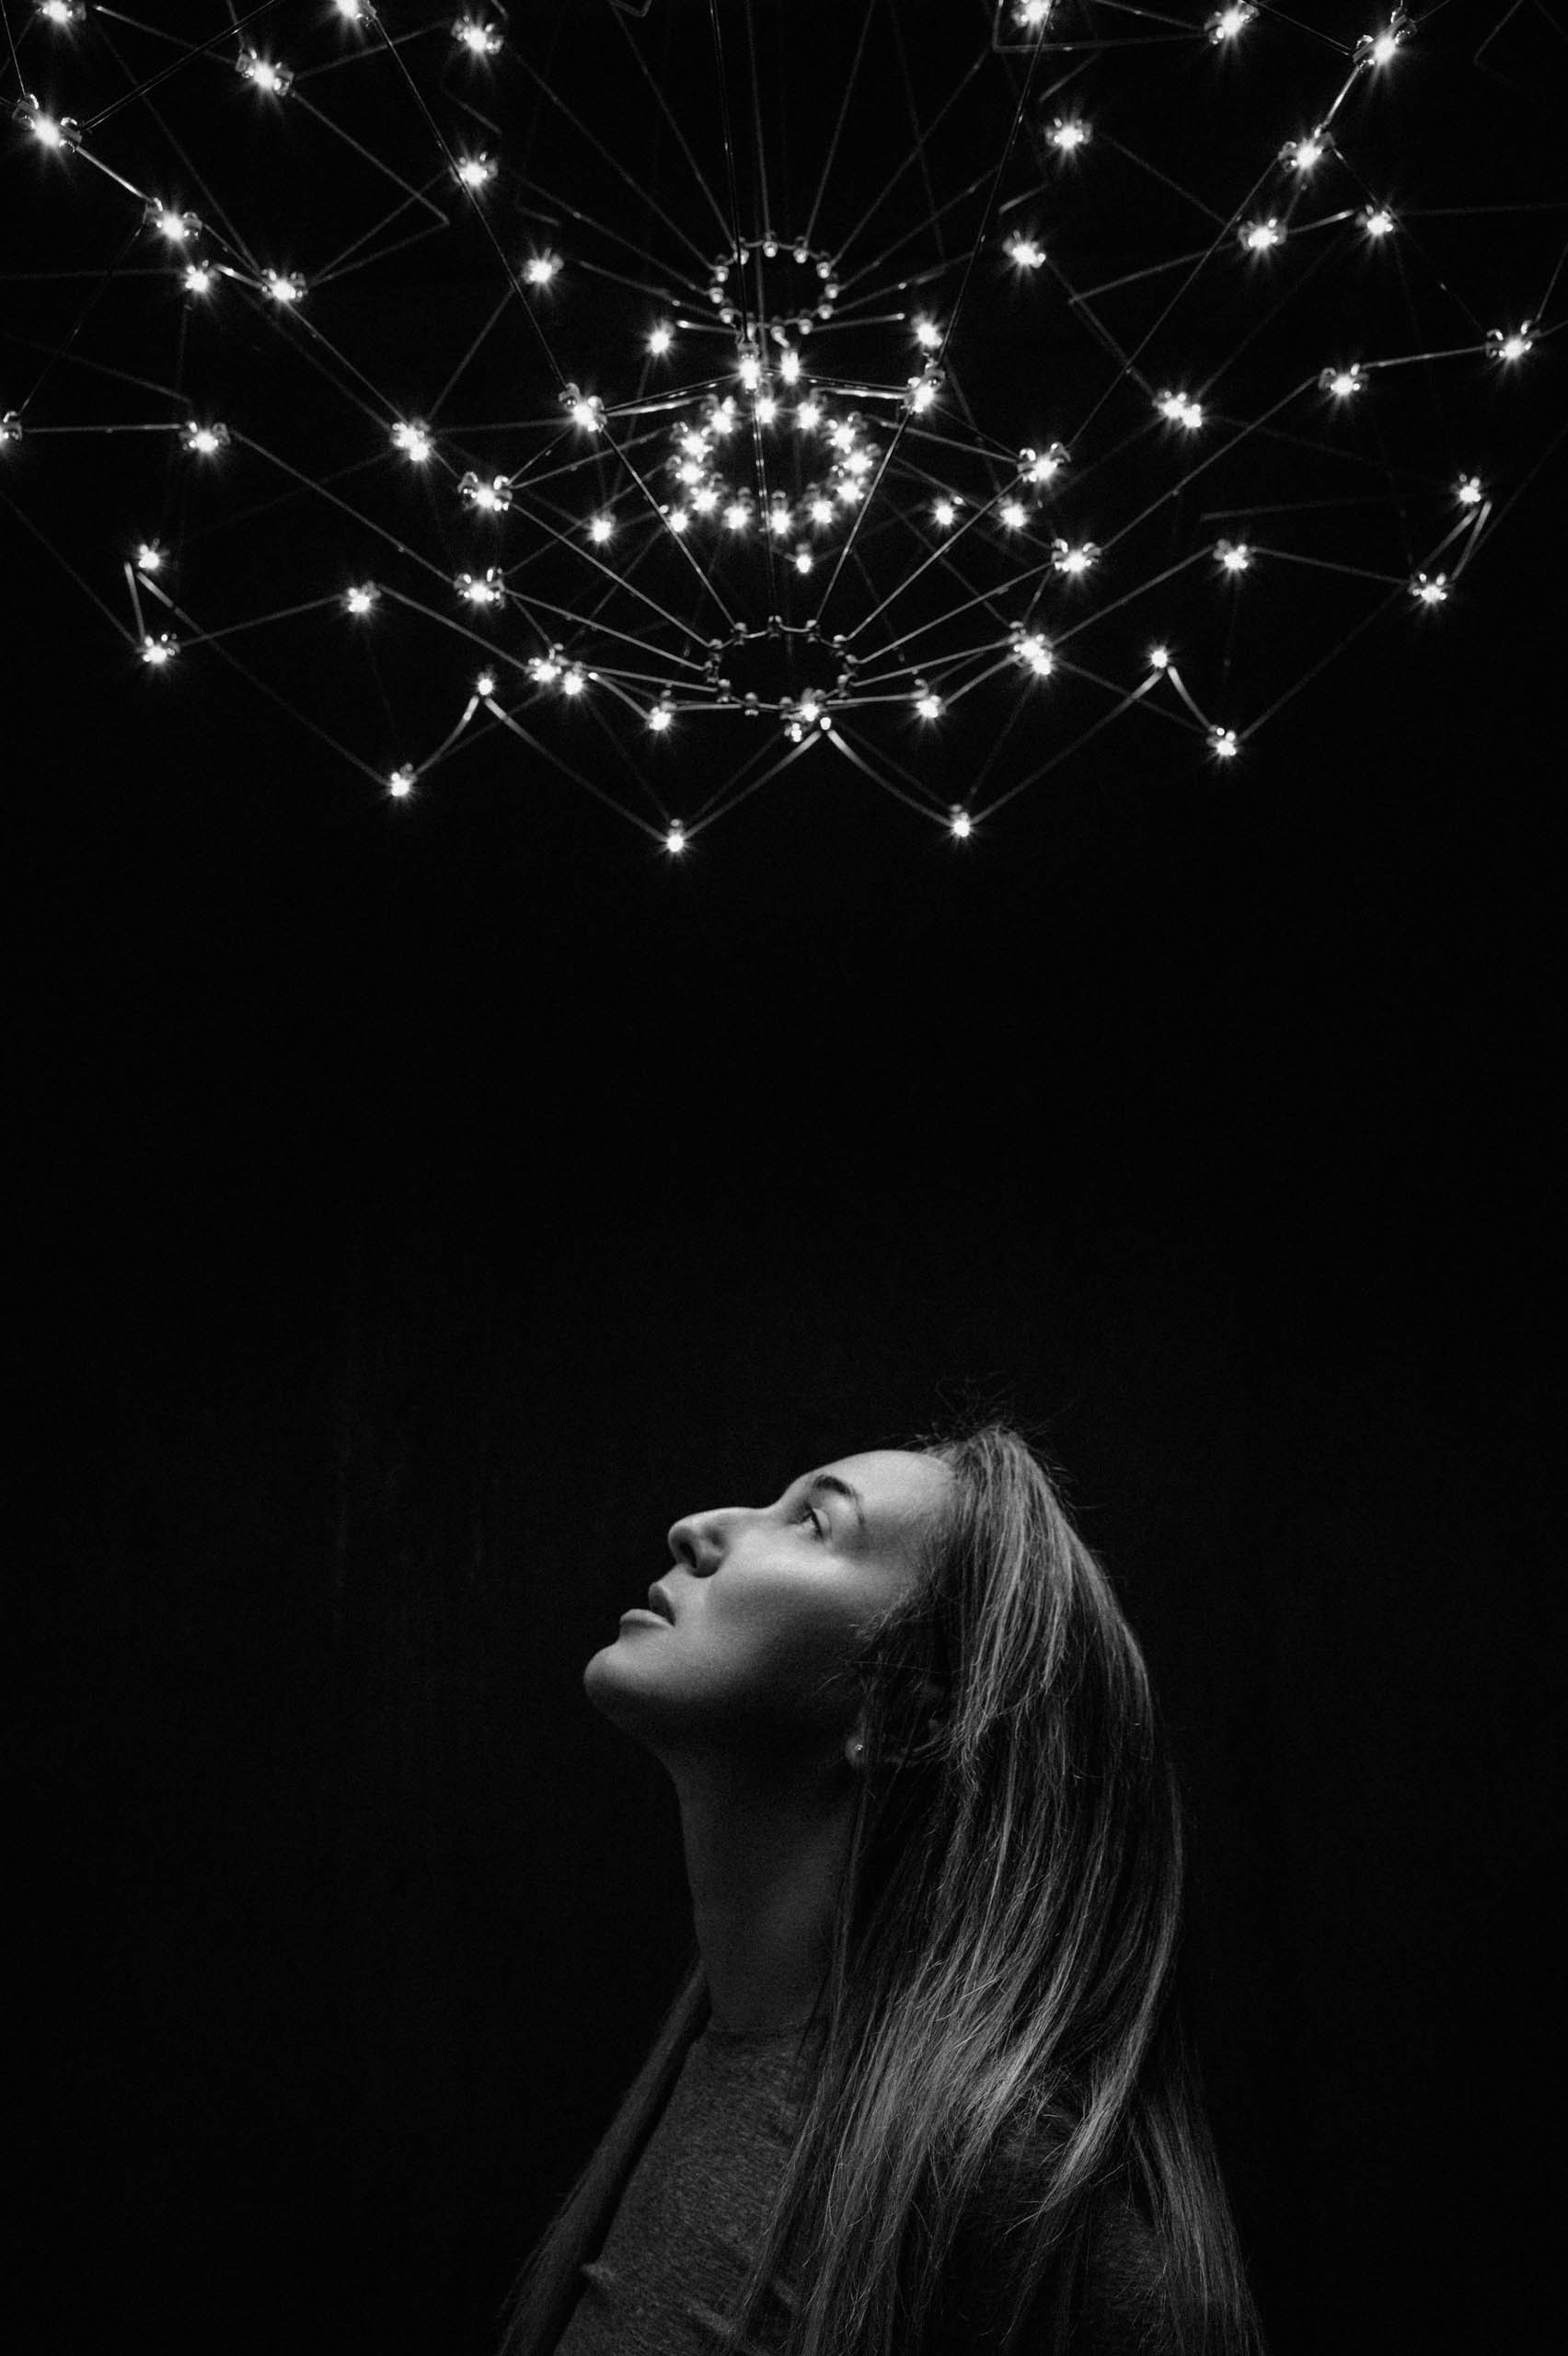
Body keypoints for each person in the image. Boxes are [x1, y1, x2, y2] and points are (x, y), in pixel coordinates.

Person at [497, 1418, 1268, 2354]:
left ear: (905, 1710)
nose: (698, 1527)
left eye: (814, 1525)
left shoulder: (988, 2178)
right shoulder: (707, 2074)